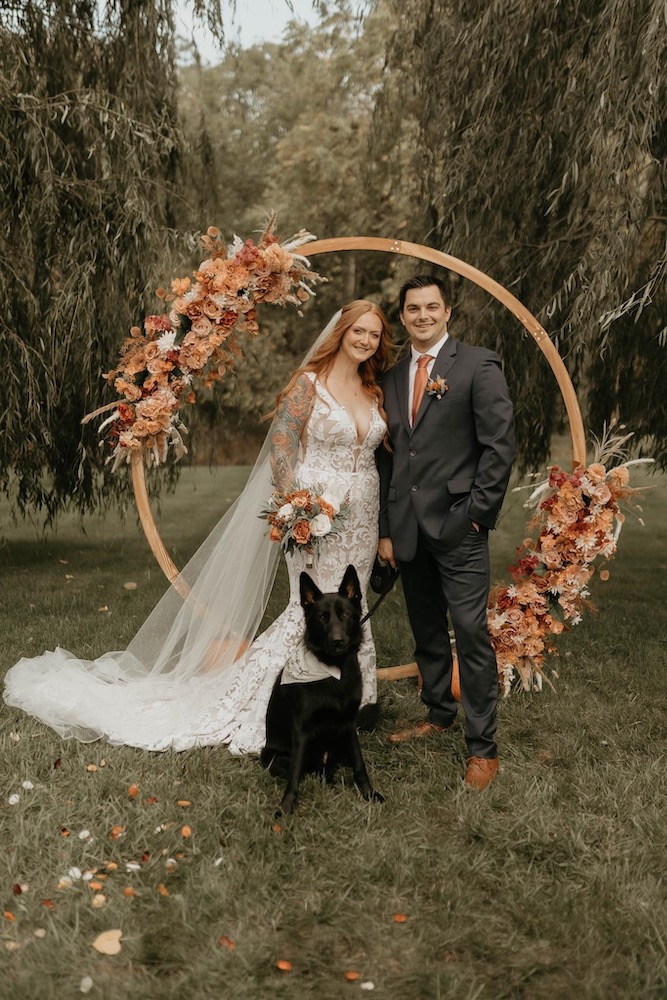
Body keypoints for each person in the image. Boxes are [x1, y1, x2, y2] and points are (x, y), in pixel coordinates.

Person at [4, 301, 394, 754]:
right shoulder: (310, 383)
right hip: (316, 511)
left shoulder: (372, 388)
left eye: (374, 334)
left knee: (352, 601)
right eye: (359, 331)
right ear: (341, 332)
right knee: (311, 605)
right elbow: (283, 443)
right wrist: (295, 506)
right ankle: (288, 701)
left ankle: (356, 698)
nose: (366, 341)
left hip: (363, 515)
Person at [377, 275, 514, 790]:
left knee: (471, 633)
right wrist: (386, 529)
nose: (423, 316)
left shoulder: (478, 365)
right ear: (403, 316)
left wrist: (476, 514)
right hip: (408, 529)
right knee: (427, 628)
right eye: (413, 309)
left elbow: (499, 447)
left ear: (447, 311)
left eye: (431, 307)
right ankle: (438, 713)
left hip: (460, 524)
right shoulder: (392, 378)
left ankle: (483, 749)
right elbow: (389, 459)